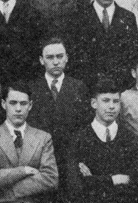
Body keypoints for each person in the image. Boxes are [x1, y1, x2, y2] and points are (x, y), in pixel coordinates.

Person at [27, 38, 91, 171]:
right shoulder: (32, 88)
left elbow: (85, 126)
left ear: (66, 58)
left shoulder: (79, 87)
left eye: (60, 56)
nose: (55, 62)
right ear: (41, 60)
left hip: (72, 160)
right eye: (50, 57)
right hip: (40, 161)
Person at [77, 0, 138, 88]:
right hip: (88, 87)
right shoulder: (79, 18)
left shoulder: (127, 17)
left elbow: (133, 56)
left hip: (119, 88)